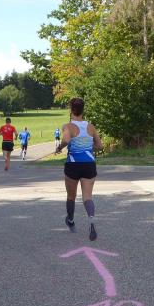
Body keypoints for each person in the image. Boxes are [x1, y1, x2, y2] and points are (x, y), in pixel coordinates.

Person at [55, 97, 103, 241]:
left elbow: (66, 140)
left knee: (71, 196)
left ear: (71, 110)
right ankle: (91, 220)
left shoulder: (67, 126)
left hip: (73, 164)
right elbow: (100, 146)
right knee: (87, 197)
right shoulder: (91, 127)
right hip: (89, 164)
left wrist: (59, 147)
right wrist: (88, 147)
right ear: (83, 110)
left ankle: (70, 220)